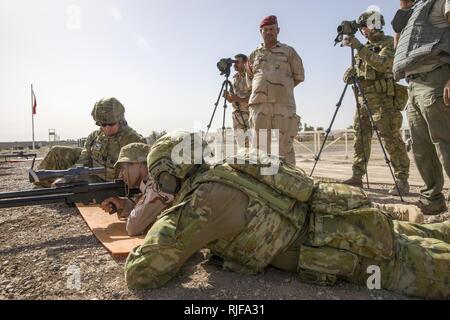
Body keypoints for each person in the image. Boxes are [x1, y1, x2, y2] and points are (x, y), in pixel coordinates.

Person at [123, 131, 449, 299]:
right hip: (355, 225)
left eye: (159, 178)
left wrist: (157, 203)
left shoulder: (200, 204)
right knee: (435, 233)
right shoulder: (231, 169)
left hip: (362, 253)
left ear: (169, 175)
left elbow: (140, 273)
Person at [341, 11, 410, 196]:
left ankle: (402, 180)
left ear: (374, 25)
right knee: (360, 138)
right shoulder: (365, 48)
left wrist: (358, 47)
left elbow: (383, 64)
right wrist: (350, 74)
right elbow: (359, 69)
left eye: (365, 26)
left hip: (383, 101)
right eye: (361, 27)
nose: (362, 31)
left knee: (391, 139)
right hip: (363, 100)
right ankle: (357, 176)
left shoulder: (389, 43)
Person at [392, 0, 450, 215]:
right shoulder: (414, 10)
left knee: (445, 144)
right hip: (414, 84)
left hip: (437, 77)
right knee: (421, 148)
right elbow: (399, 50)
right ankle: (432, 200)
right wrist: (404, 8)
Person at [37, 97, 146, 186]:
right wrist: (68, 177)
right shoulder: (95, 137)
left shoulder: (134, 141)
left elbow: (143, 175)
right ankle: (42, 185)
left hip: (117, 185)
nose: (107, 128)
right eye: (103, 124)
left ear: (120, 120)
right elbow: (83, 160)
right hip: (94, 178)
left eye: (111, 124)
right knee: (57, 151)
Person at [246, 15, 304, 166]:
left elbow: (299, 77)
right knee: (258, 148)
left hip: (283, 107)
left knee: (284, 147)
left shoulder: (289, 52)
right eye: (265, 30)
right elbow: (250, 82)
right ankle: (259, 184)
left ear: (278, 30)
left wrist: (281, 90)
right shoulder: (253, 55)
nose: (269, 32)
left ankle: (290, 183)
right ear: (261, 32)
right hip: (259, 107)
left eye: (272, 29)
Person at [100, 143, 172, 236]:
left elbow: (133, 227)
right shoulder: (151, 182)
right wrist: (123, 204)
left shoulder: (157, 183)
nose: (120, 175)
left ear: (140, 164)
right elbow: (147, 209)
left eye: (123, 168)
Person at [224, 54, 251, 148]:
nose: (234, 64)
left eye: (237, 62)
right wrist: (229, 98)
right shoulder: (234, 78)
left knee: (253, 146)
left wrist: (238, 99)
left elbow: (255, 97)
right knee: (242, 146)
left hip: (249, 115)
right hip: (236, 116)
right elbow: (232, 100)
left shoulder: (250, 76)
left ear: (245, 63)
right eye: (234, 62)